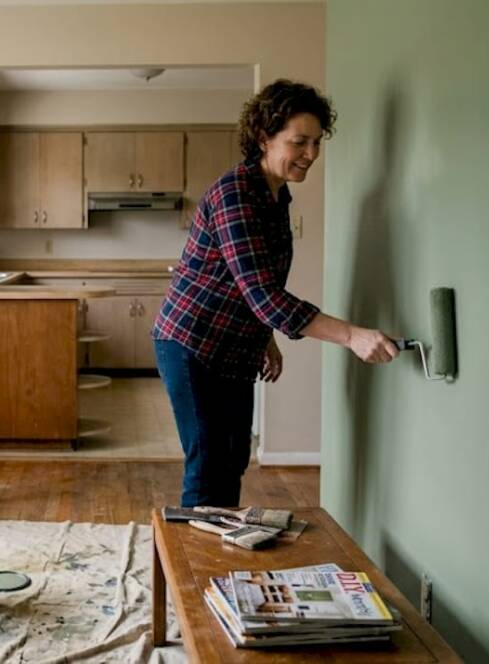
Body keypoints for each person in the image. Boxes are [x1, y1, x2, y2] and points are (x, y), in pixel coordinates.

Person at [152, 79, 398, 509]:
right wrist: (352, 335)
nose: (311, 154)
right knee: (208, 465)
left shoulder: (276, 195)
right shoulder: (236, 195)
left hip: (234, 347)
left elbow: (254, 282)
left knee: (233, 460)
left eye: (317, 142)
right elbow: (264, 294)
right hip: (192, 344)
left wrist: (265, 337)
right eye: (299, 141)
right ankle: (191, 572)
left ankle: (220, 565)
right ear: (264, 138)